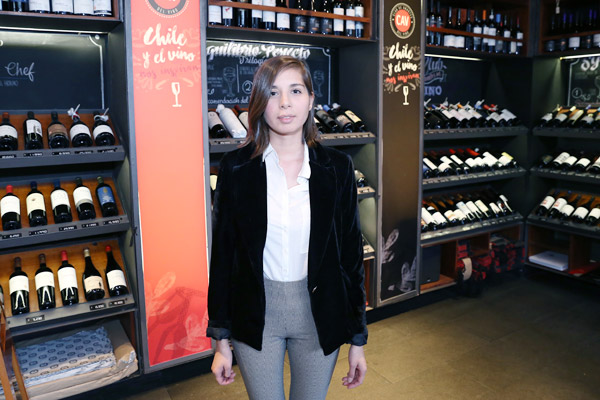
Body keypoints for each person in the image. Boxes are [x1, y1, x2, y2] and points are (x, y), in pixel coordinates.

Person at [207, 55, 368, 400]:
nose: (284, 103)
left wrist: (357, 339)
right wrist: (221, 340)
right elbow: (223, 257)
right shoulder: (235, 168)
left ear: (310, 100)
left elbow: (351, 258)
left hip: (318, 314)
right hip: (255, 314)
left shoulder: (338, 168)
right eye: (273, 92)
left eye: (295, 91)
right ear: (259, 103)